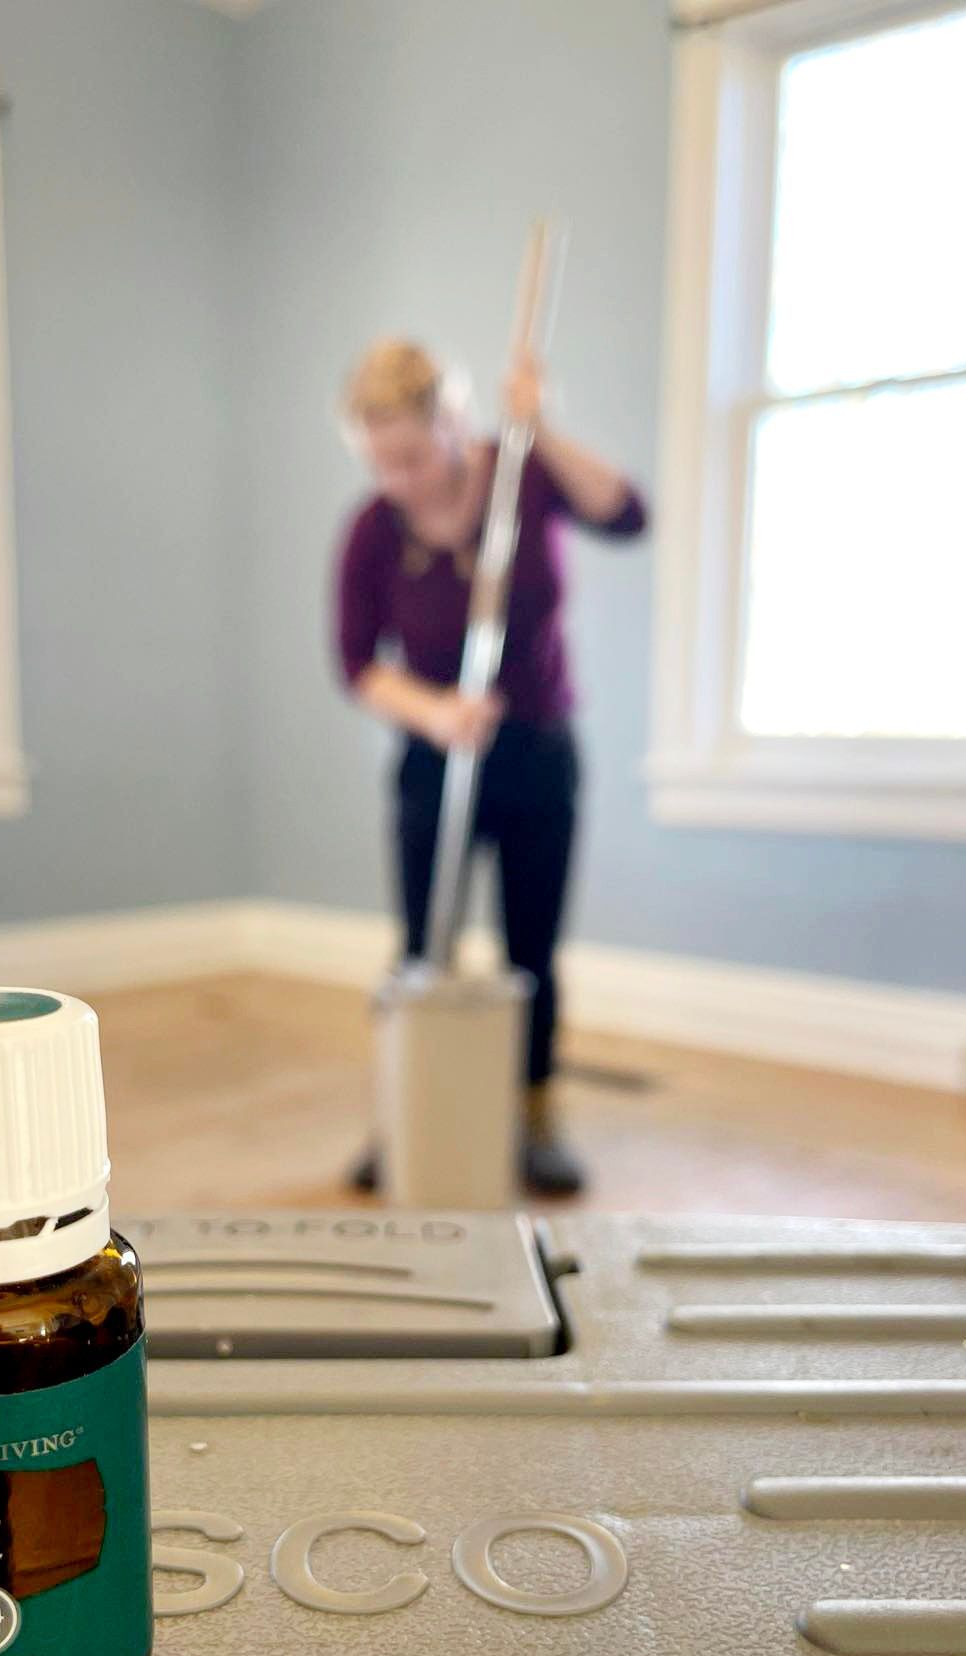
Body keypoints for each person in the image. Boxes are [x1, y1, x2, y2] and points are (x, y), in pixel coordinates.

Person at [334, 338, 647, 1195]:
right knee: (420, 950)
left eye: (409, 454)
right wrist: (437, 713)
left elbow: (628, 514)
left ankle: (534, 1115)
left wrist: (540, 427)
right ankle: (405, 1114)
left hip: (538, 752)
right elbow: (357, 663)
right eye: (377, 461)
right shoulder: (373, 528)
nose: (395, 477)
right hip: (438, 761)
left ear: (453, 421)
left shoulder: (523, 478)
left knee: (531, 949)